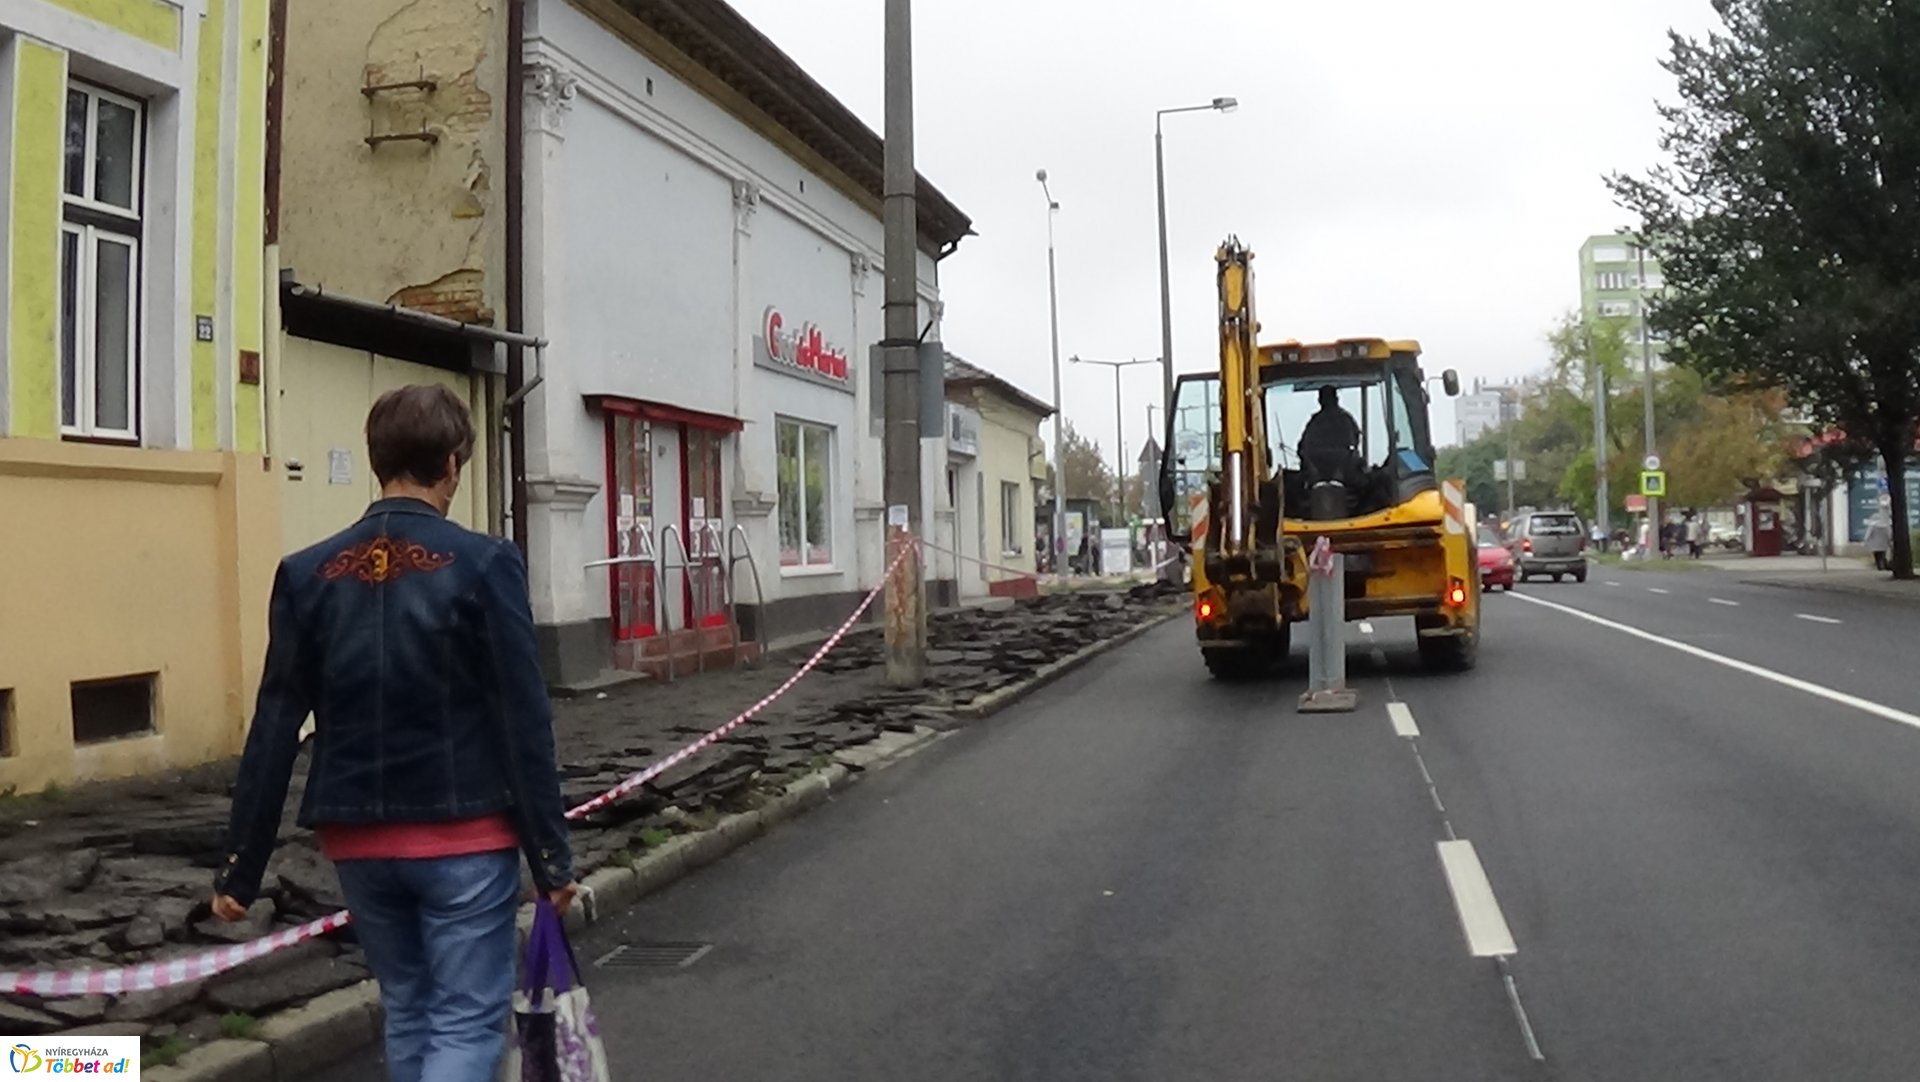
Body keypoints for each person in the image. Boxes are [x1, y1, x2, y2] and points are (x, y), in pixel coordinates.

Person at [213, 386, 576, 1082]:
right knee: (468, 1021)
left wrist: (241, 868)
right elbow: (521, 717)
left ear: (379, 461)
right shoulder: (485, 562)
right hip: (463, 830)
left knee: (409, 1008)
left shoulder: (306, 573)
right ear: (452, 462)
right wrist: (552, 859)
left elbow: (275, 724)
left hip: (356, 837)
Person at [1299, 386, 1362, 477]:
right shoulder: (1345, 418)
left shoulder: (1317, 420)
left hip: (1338, 469)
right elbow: (1355, 441)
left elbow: (1302, 447)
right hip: (1321, 469)